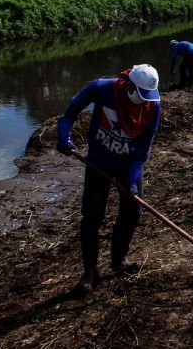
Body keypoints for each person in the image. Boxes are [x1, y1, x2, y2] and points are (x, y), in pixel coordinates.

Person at [56, 64, 161, 295]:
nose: (143, 100)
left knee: (132, 212)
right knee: (92, 217)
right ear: (129, 85)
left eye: (147, 97)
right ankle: (90, 272)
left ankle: (118, 260)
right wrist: (64, 137)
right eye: (140, 94)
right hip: (98, 163)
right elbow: (70, 113)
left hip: (128, 165)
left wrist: (131, 182)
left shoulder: (152, 106)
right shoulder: (102, 88)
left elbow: (141, 151)